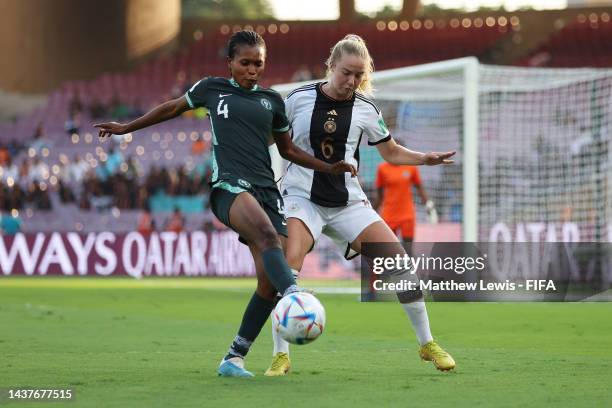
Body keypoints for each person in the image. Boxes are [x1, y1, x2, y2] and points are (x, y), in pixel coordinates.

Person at [94, 30, 356, 378]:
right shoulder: (211, 88)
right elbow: (173, 107)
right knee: (265, 236)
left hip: (266, 191)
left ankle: (234, 358)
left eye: (258, 64)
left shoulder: (271, 101)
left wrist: (330, 167)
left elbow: (288, 150)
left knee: (266, 282)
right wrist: (127, 127)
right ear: (230, 63)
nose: (251, 70)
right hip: (228, 187)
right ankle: (295, 295)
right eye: (245, 63)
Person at [266, 34, 456, 376]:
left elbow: (392, 152)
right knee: (288, 265)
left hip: (347, 202)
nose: (351, 81)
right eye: (346, 73)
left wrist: (424, 159)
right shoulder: (297, 100)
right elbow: (270, 139)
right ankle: (281, 355)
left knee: (400, 263)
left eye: (358, 75)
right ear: (331, 67)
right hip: (301, 198)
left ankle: (427, 343)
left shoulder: (366, 108)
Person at [375, 162, 438, 252]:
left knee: (408, 250)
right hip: (389, 215)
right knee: (388, 251)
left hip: (407, 215)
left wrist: (429, 205)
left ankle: (408, 265)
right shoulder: (382, 168)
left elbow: (419, 188)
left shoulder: (411, 166)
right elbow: (379, 196)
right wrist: (370, 212)